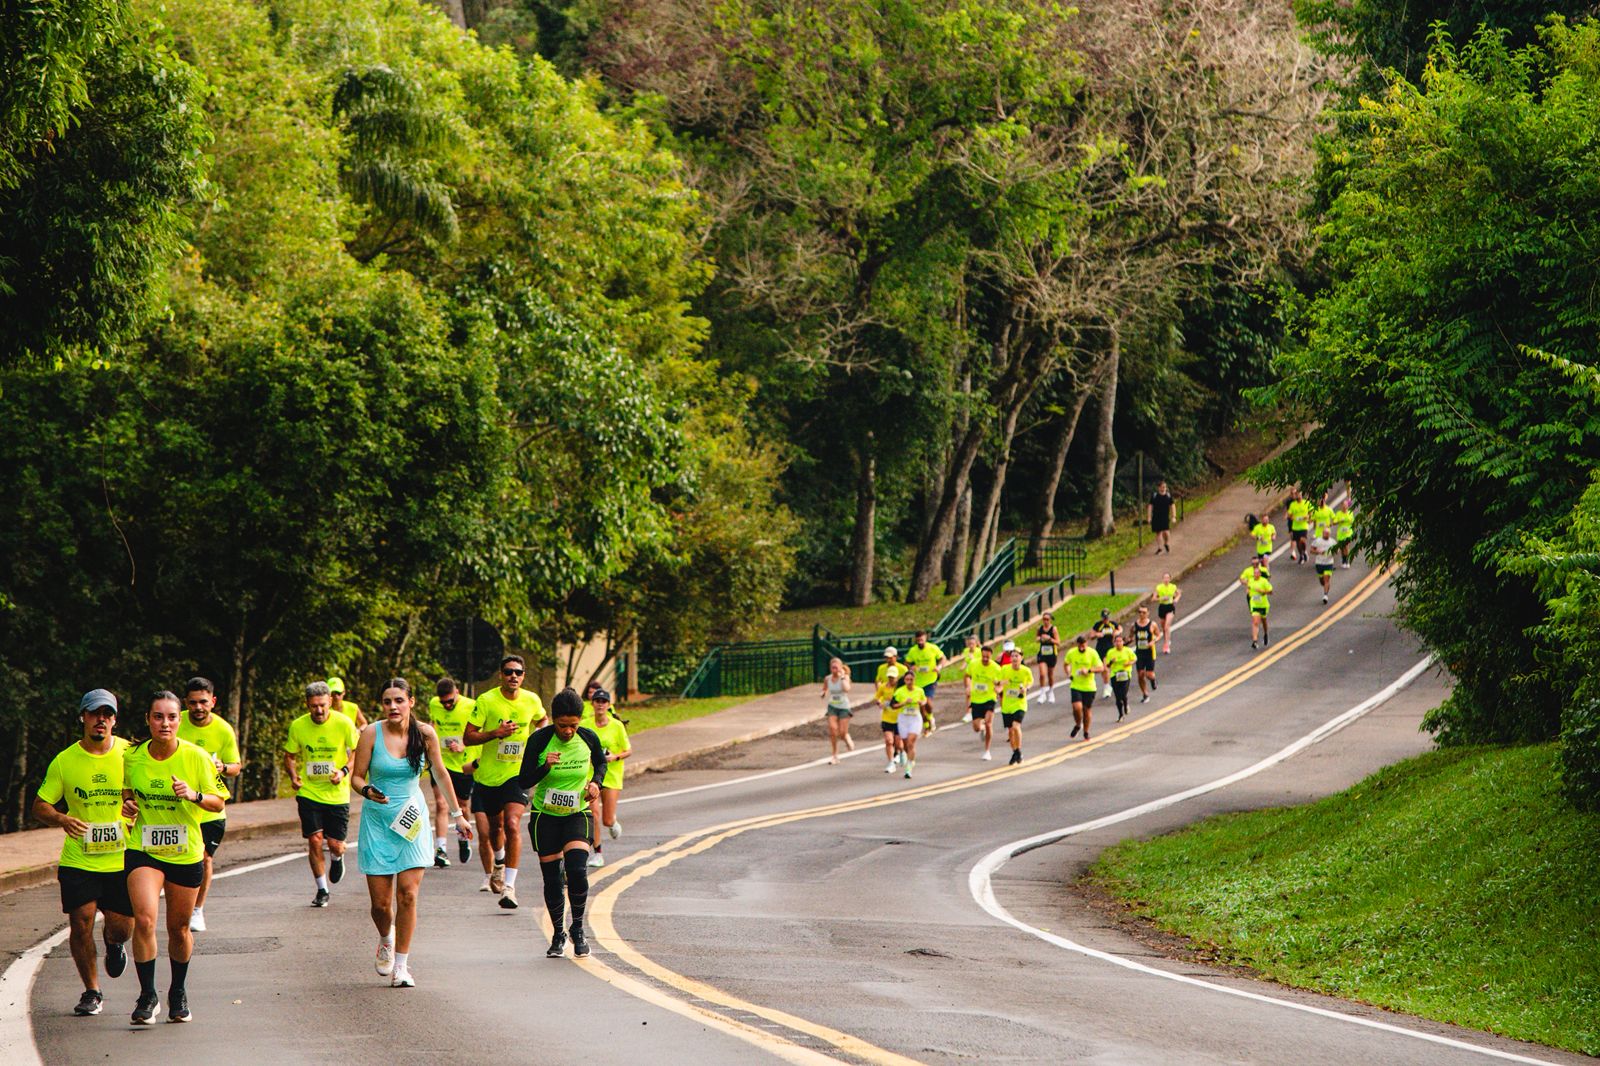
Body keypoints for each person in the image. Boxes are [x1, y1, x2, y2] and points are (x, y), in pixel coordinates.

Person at [350, 678, 472, 988]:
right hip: (378, 822)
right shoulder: (371, 733)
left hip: (411, 819)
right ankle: (385, 937)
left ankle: (402, 967)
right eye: (387, 701)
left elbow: (440, 773)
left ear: (411, 702)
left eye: (399, 700)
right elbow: (357, 777)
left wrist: (458, 815)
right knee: (381, 906)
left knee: (408, 894)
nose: (393, 706)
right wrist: (367, 791)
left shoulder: (425, 734)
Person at [121, 691, 227, 1024]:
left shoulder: (196, 757)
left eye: (171, 717)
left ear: (180, 721)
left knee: (178, 929)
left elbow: (219, 802)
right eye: (158, 717)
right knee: (144, 919)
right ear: (148, 720)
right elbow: (128, 791)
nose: (164, 723)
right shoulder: (133, 757)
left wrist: (194, 795)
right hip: (145, 849)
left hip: (185, 852)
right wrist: (128, 804)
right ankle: (147, 995)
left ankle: (177, 992)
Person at [33, 689, 134, 1018]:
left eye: (107, 714)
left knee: (121, 928)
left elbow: (149, 790)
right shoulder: (65, 760)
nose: (101, 720)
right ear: (83, 717)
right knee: (80, 923)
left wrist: (137, 807)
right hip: (80, 857)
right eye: (94, 713)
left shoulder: (131, 754)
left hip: (122, 858)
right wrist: (62, 819)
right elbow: (40, 806)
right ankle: (92, 990)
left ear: (114, 720)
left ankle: (115, 944)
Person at [516, 688, 608, 959]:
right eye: (562, 725)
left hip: (577, 813)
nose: (568, 731)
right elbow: (524, 780)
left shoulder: (588, 737)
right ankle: (558, 933)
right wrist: (545, 767)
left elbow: (601, 764)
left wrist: (596, 783)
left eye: (573, 725)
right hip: (546, 817)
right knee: (552, 878)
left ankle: (577, 929)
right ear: (553, 719)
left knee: (577, 869)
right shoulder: (539, 740)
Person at [463, 654, 546, 908]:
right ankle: (498, 862)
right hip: (489, 777)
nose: (513, 676)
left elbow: (542, 718)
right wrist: (495, 733)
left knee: (512, 824)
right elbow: (468, 737)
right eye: (509, 672)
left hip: (517, 774)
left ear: (523, 676)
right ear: (501, 675)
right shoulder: (486, 700)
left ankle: (509, 888)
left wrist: (539, 735)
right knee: (495, 828)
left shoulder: (531, 700)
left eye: (518, 672)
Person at [282, 680, 361, 908]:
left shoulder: (344, 723)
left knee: (335, 844)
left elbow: (357, 751)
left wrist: (343, 771)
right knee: (315, 839)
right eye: (314, 706)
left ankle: (337, 857)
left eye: (323, 705)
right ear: (307, 704)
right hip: (309, 792)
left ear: (330, 702)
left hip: (337, 793)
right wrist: (293, 777)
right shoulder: (298, 726)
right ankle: (322, 889)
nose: (318, 710)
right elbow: (290, 755)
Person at [176, 677, 239, 933]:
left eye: (203, 702)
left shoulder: (223, 730)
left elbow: (236, 767)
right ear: (185, 703)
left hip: (210, 807)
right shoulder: (175, 722)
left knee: (204, 857)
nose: (198, 707)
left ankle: (197, 910)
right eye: (193, 703)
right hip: (179, 806)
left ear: (213, 701)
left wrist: (223, 767)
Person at [427, 678, 479, 866]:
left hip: (463, 764)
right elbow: (433, 723)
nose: (447, 705)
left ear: (457, 692)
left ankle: (463, 839)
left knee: (462, 806)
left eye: (450, 701)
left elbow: (479, 731)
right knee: (441, 804)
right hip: (441, 762)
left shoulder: (471, 706)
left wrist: (463, 744)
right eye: (444, 703)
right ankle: (441, 850)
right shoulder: (434, 704)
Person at [587, 689, 630, 867]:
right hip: (591, 776)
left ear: (609, 705)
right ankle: (597, 853)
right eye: (597, 701)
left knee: (606, 819)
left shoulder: (617, 726)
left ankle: (613, 823)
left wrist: (614, 757)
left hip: (611, 776)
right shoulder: (585, 724)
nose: (600, 704)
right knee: (593, 814)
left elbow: (628, 750)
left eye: (603, 701)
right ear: (592, 704)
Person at [888, 671, 930, 778]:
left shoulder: (919, 690)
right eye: (907, 679)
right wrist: (904, 703)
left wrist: (922, 702)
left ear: (915, 680)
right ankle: (911, 758)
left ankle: (909, 768)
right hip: (903, 719)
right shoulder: (899, 691)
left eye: (911, 679)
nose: (909, 682)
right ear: (904, 680)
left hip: (915, 719)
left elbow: (924, 700)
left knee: (911, 743)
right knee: (906, 744)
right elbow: (893, 705)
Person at [1063, 635, 1106, 740]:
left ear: (1086, 644)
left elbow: (1101, 668)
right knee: (1077, 707)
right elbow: (1066, 664)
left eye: (1084, 645)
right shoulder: (1072, 653)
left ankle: (1086, 731)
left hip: (1089, 686)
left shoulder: (1092, 653)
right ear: (1077, 644)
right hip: (1076, 685)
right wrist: (1068, 673)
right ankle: (1078, 724)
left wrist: (1089, 670)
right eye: (1080, 645)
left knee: (1087, 710)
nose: (1082, 648)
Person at [964, 643, 1002, 760]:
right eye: (983, 656)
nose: (985, 659)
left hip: (989, 698)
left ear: (991, 656)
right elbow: (967, 675)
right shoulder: (974, 664)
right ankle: (983, 728)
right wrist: (968, 686)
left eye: (988, 657)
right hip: (976, 699)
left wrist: (998, 689)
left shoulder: (996, 668)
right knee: (976, 728)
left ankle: (987, 751)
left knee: (989, 723)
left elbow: (1001, 683)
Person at [998, 644, 1032, 764]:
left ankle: (1018, 750)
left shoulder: (1026, 671)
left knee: (1016, 726)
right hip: (1007, 705)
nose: (1014, 658)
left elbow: (1030, 683)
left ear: (1021, 658)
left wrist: (1025, 689)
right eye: (1012, 656)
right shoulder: (1005, 669)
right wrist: (1001, 683)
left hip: (1019, 703)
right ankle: (1015, 752)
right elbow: (998, 682)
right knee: (1010, 731)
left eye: (1016, 656)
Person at [820, 657, 854, 764]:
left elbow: (847, 689)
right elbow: (825, 688)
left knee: (842, 733)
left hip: (844, 707)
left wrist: (842, 677)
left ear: (840, 667)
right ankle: (835, 755)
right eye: (832, 667)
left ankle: (846, 738)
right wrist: (823, 693)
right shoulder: (827, 678)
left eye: (836, 667)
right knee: (833, 730)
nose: (834, 669)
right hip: (832, 706)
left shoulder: (845, 677)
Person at [875, 650, 903, 773]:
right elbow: (878, 697)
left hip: (899, 718)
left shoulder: (901, 689)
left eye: (893, 677)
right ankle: (891, 762)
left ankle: (901, 753)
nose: (891, 679)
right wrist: (879, 702)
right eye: (889, 677)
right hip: (887, 717)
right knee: (888, 741)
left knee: (898, 743)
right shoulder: (883, 687)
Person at [904, 631, 946, 705]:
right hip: (918, 681)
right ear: (915, 639)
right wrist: (911, 667)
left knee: (927, 702)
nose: (920, 642)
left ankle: (930, 712)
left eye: (921, 640)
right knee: (920, 704)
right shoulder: (913, 650)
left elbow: (943, 658)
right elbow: (906, 663)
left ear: (925, 638)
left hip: (931, 679)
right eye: (918, 640)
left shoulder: (932, 648)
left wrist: (939, 667)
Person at [1130, 604, 1161, 704]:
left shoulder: (1152, 624)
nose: (1141, 614)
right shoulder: (1134, 625)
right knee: (1140, 674)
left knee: (1149, 674)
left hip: (1150, 652)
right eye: (1140, 612)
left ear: (1148, 613)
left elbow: (1158, 635)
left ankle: (1153, 680)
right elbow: (1131, 636)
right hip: (1139, 652)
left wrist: (1153, 641)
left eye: (1144, 612)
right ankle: (1145, 693)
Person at [1103, 634, 1138, 722]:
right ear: (1114, 643)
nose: (1118, 643)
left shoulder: (1128, 650)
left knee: (1123, 694)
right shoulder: (1111, 652)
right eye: (1117, 641)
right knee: (1118, 697)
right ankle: (1120, 715)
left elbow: (1134, 659)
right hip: (1115, 675)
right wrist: (1111, 662)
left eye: (1120, 641)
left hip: (1125, 674)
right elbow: (1107, 665)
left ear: (1123, 642)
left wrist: (1129, 663)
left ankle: (1126, 704)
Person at [1092, 609, 1121, 697]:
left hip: (1110, 648)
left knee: (1106, 667)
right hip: (1101, 648)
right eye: (1104, 618)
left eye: (1107, 618)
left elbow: (1120, 629)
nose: (1105, 620)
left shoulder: (1112, 624)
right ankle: (1107, 685)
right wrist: (1096, 634)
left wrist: (1117, 632)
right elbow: (1091, 635)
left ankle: (1107, 686)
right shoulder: (1098, 625)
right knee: (1103, 668)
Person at [1033, 613, 1060, 703]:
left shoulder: (1053, 629)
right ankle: (1042, 693)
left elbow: (1058, 642)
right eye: (1044, 619)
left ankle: (1051, 692)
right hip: (1042, 654)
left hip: (1052, 654)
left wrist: (1049, 639)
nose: (1045, 621)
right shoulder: (1040, 628)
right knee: (1042, 674)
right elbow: (1036, 639)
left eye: (1047, 619)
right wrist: (1040, 638)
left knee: (1050, 675)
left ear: (1050, 620)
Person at [1310, 523, 1339, 605]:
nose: (1326, 534)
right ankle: (1325, 586)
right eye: (1325, 533)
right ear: (1322, 533)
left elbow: (1337, 550)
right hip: (1319, 563)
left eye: (1328, 533)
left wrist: (1333, 552)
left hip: (1329, 563)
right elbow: (1311, 550)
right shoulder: (1318, 541)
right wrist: (1318, 552)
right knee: (1322, 581)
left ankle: (1325, 595)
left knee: (1326, 579)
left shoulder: (1333, 542)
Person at [1248, 562, 1274, 648]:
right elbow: (1248, 588)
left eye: (1257, 573)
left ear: (1260, 574)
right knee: (1255, 622)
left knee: (1264, 621)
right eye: (1254, 573)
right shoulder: (1251, 581)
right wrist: (1249, 592)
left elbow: (1271, 592)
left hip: (1263, 605)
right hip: (1254, 604)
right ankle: (1255, 641)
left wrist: (1263, 591)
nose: (1255, 574)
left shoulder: (1264, 581)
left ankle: (1266, 633)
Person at [1153, 575, 1181, 654]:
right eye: (1165, 578)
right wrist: (1161, 598)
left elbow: (1178, 594)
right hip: (1162, 607)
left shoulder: (1173, 587)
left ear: (1170, 579)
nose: (1166, 579)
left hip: (1170, 607)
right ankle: (1166, 639)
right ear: (1162, 579)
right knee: (1163, 627)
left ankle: (1166, 645)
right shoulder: (1159, 587)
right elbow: (1154, 598)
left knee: (1167, 626)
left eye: (1168, 578)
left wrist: (1176, 599)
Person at [957, 633, 981, 723]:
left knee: (976, 693)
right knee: (968, 693)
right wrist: (962, 667)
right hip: (968, 674)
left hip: (977, 675)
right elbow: (966, 660)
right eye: (969, 644)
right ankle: (968, 713)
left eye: (972, 644)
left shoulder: (980, 651)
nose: (971, 645)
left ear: (976, 643)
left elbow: (981, 663)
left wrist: (973, 659)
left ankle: (978, 710)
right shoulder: (966, 651)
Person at [1148, 480, 1175, 555]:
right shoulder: (1154, 496)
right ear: (1159, 488)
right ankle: (1160, 548)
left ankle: (1166, 543)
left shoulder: (1168, 496)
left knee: (1166, 532)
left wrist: (1173, 516)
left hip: (1165, 517)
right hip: (1156, 516)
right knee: (1158, 532)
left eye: (1165, 487)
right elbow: (1150, 506)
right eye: (1162, 487)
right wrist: (1149, 517)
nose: (1164, 488)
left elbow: (1172, 506)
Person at [1287, 489, 1311, 564]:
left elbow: (1311, 512)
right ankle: (1301, 555)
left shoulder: (1306, 503)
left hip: (1304, 525)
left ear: (1301, 495)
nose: (1298, 496)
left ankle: (1304, 551)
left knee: (1302, 540)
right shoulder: (1292, 504)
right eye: (1296, 495)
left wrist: (1308, 516)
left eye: (1299, 495)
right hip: (1295, 526)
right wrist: (1293, 518)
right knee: (1298, 543)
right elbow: (1289, 515)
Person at [1333, 495, 1356, 569]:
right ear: (1341, 506)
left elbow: (1353, 521)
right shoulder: (1338, 513)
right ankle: (1343, 560)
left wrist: (1348, 521)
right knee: (1342, 548)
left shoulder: (1350, 513)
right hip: (1340, 533)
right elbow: (1334, 522)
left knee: (1346, 547)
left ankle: (1347, 561)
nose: (1345, 507)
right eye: (1343, 505)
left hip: (1348, 533)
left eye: (1346, 505)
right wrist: (1340, 521)